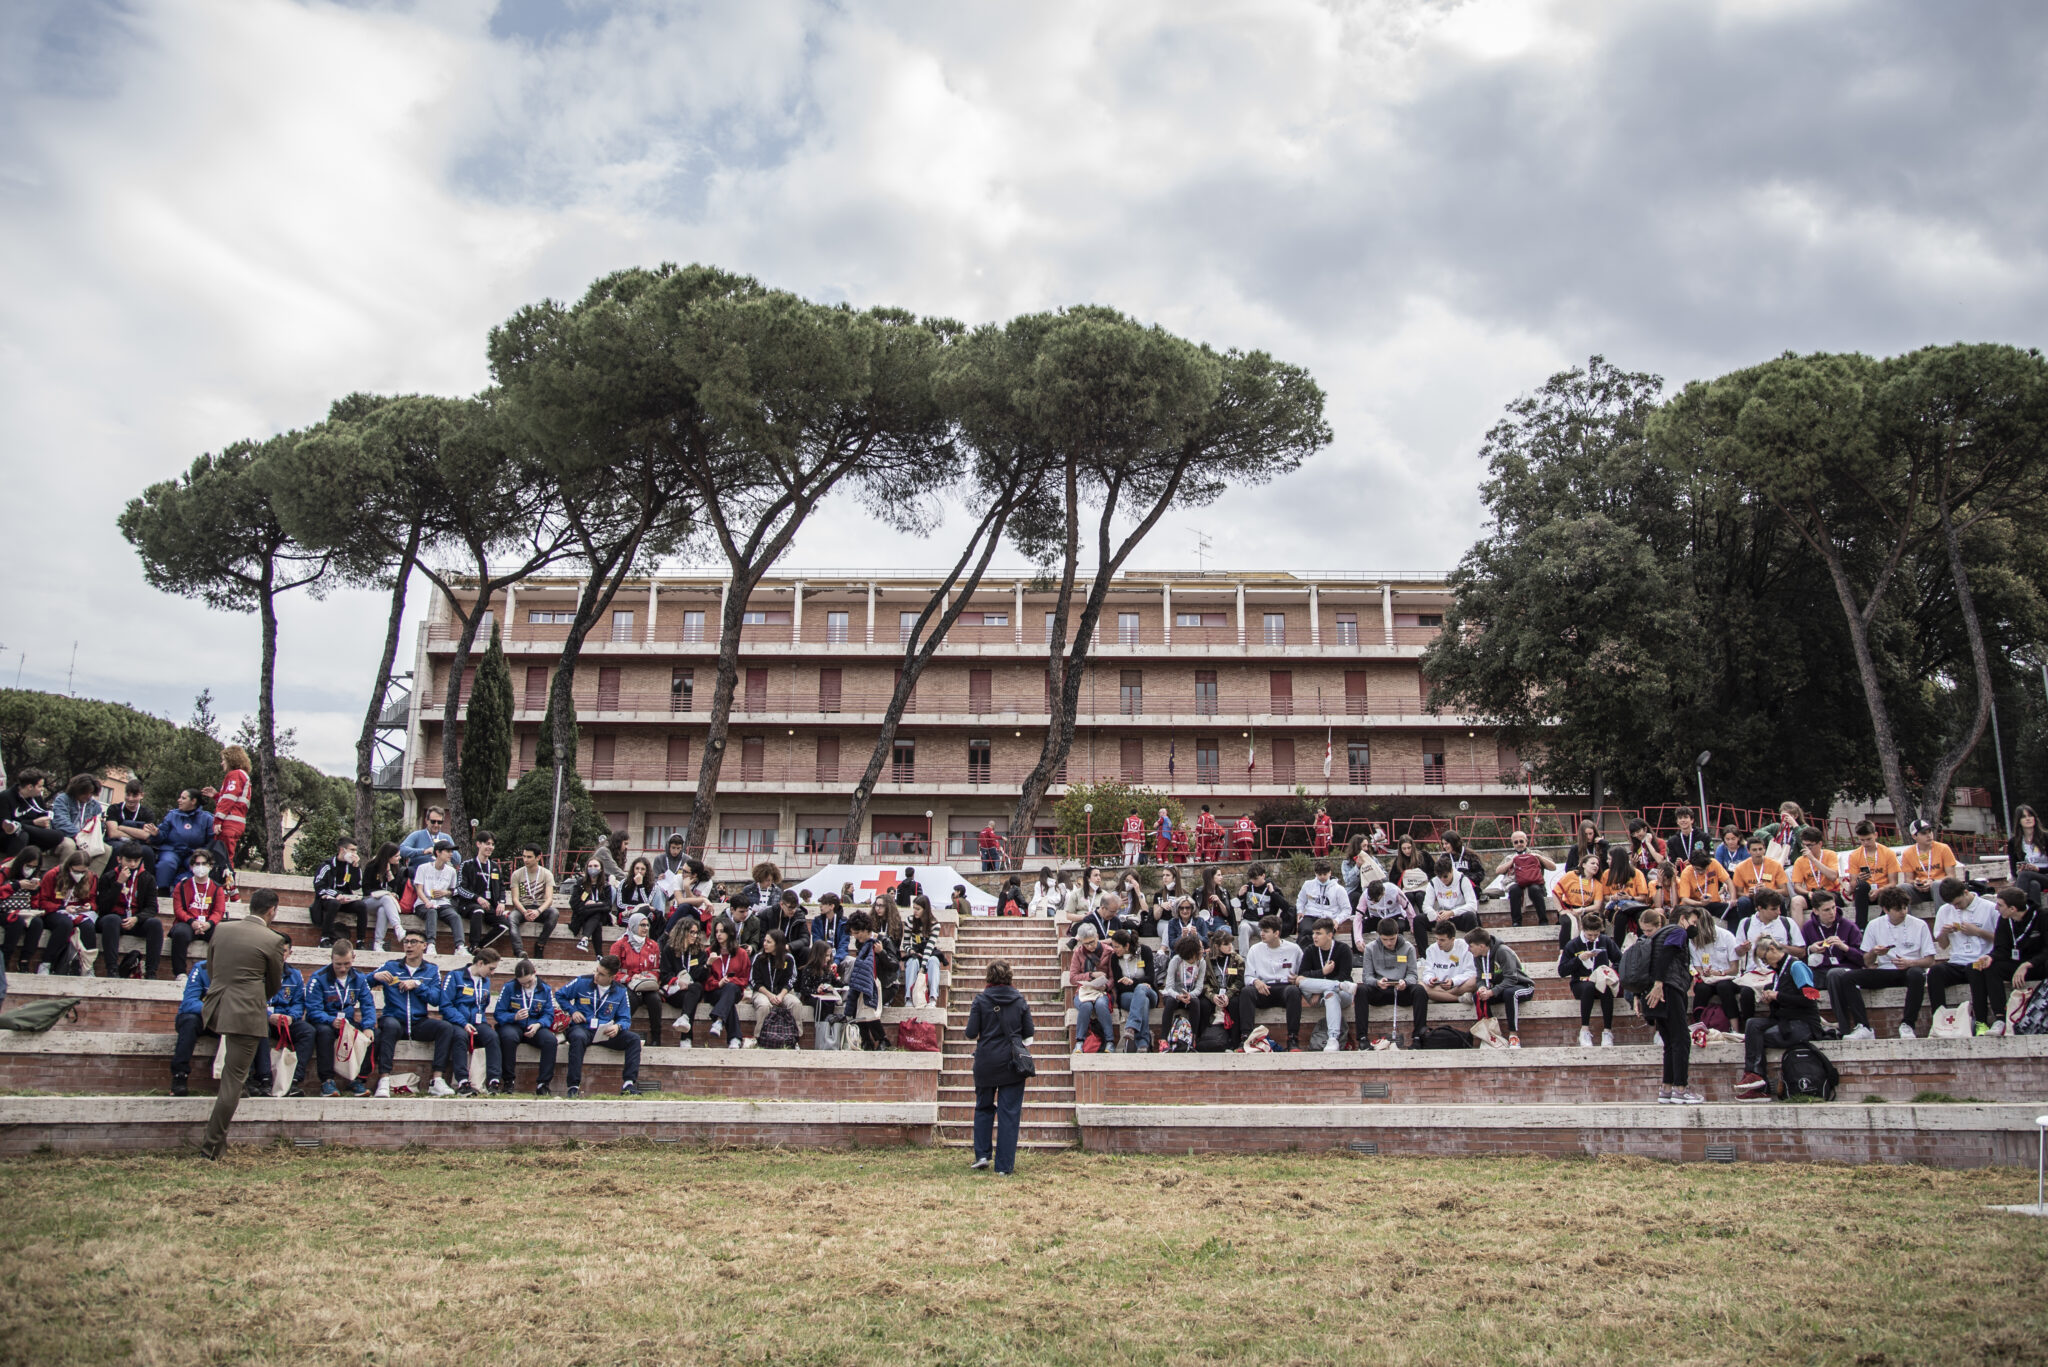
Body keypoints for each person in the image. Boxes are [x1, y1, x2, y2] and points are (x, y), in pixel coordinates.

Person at [194, 888, 288, 1160]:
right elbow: (273, 983)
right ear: (272, 910)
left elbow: (210, 969)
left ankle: (214, 1144)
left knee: (232, 1078)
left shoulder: (221, 929)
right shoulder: (273, 939)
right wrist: (255, 999)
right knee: (233, 1081)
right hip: (245, 1011)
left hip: (216, 1004)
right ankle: (211, 1147)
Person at [1831, 885, 1936, 1041]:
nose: (1903, 912)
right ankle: (1864, 1026)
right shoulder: (1874, 925)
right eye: (1898, 909)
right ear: (1886, 910)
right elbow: (1866, 961)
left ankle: (1908, 1024)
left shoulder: (1919, 925)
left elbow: (1930, 960)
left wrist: (1910, 963)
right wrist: (1874, 952)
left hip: (1909, 970)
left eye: (1905, 907)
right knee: (1847, 977)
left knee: (1917, 975)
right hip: (1885, 969)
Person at [964, 960, 1035, 1175]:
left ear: (988, 978)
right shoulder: (1020, 1000)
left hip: (986, 1061)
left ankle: (982, 1154)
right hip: (1012, 1063)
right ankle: (1004, 1166)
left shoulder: (981, 1000)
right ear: (1010, 977)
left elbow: (970, 1032)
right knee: (1009, 1113)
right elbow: (1029, 1033)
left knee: (983, 1107)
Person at [1733, 935, 1823, 1100]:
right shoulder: (1777, 973)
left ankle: (1760, 1083)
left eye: (1765, 959)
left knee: (1757, 1038)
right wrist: (1770, 999)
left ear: (1773, 949)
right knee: (1752, 1025)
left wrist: (1778, 996)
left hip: (1803, 1024)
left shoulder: (1796, 966)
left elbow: (1810, 998)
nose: (1766, 964)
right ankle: (1755, 1076)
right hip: (1785, 1020)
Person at [371, 931, 448, 1097]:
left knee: (445, 1028)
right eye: (406, 942)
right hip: (394, 1018)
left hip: (418, 1021)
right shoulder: (391, 966)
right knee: (389, 1026)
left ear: (424, 946)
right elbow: (362, 982)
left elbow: (436, 999)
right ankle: (384, 1079)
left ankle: (437, 1080)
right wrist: (374, 976)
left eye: (414, 942)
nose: (409, 945)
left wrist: (418, 985)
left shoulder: (431, 970)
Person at [554, 953, 642, 1097]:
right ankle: (573, 1086)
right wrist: (573, 1011)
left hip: (604, 1031)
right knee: (577, 1037)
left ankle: (628, 1084)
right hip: (582, 1027)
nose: (596, 975)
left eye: (601, 974)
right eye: (596, 971)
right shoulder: (582, 981)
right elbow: (560, 995)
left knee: (633, 1039)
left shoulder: (620, 991)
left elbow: (625, 1018)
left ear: (612, 977)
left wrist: (618, 1027)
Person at [1645, 905, 1704, 1104]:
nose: (1694, 927)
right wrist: (1660, 984)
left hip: (1659, 990)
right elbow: (1667, 956)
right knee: (1681, 1040)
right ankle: (1681, 1089)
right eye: (1693, 922)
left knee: (1669, 1042)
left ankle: (1667, 1088)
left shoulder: (1660, 933)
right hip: (1669, 988)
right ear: (1683, 919)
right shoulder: (1678, 932)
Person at [304, 939, 376, 1097]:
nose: (343, 968)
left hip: (346, 1022)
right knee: (325, 1033)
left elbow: (368, 1005)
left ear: (353, 958)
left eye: (347, 964)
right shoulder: (318, 978)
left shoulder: (359, 978)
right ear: (331, 959)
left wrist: (368, 1026)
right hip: (324, 1021)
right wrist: (330, 1020)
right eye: (338, 964)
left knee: (368, 1034)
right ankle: (327, 1081)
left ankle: (358, 1080)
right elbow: (313, 1009)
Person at [1929, 876, 1999, 1035]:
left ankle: (1982, 1021)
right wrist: (1944, 933)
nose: (1957, 907)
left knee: (1974, 970)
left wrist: (1978, 932)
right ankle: (1938, 1021)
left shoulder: (1989, 908)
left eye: (1958, 903)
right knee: (1935, 972)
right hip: (1957, 960)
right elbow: (1943, 944)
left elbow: (2001, 940)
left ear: (1966, 892)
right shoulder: (1945, 910)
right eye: (1953, 905)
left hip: (1980, 959)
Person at [436, 947, 502, 1096]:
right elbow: (445, 1005)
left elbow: (482, 1005)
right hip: (457, 1022)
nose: (493, 973)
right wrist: (463, 1022)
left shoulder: (485, 982)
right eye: (491, 968)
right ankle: (462, 1082)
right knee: (460, 1036)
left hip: (477, 1022)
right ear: (480, 963)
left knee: (492, 1036)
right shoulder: (455, 976)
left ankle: (494, 1081)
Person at [95, 841, 162, 979]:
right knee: (111, 920)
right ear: (119, 859)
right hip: (113, 918)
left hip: (135, 919)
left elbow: (152, 907)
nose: (132, 864)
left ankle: (151, 972)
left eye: (136, 861)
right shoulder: (108, 877)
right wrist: (118, 884)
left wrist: (137, 918)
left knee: (155, 924)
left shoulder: (147, 878)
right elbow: (103, 908)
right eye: (128, 860)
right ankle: (112, 969)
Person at [1358, 915, 1425, 1048]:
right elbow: (1366, 977)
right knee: (1361, 990)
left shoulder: (1408, 948)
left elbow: (1413, 974)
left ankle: (1418, 1036)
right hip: (1380, 989)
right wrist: (1377, 982)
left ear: (1397, 935)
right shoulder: (1370, 948)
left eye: (1392, 939)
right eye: (1385, 939)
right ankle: (1362, 1037)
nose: (1389, 943)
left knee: (1420, 990)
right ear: (1379, 936)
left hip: (1401, 989)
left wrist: (1405, 982)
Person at [493, 958, 558, 1094]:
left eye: (529, 982)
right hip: (514, 1025)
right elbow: (499, 1013)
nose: (526, 986)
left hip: (534, 1026)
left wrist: (539, 1025)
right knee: (508, 1037)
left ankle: (543, 1084)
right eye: (522, 983)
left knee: (550, 1041)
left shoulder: (544, 989)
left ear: (535, 973)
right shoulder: (509, 987)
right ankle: (508, 1081)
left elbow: (549, 1014)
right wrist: (513, 1017)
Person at [1240, 916, 1304, 1050]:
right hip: (1263, 988)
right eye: (1261, 930)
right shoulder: (1255, 949)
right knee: (1247, 992)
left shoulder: (1294, 949)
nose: (1262, 934)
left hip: (1285, 988)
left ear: (1276, 933)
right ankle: (1246, 1037)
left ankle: (1293, 1038)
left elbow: (1302, 973)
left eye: (1266, 931)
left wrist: (1298, 978)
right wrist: (1256, 981)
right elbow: (1248, 977)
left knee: (1294, 991)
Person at [1558, 910, 1621, 1047]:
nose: (1593, 938)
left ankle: (1607, 1031)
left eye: (1596, 935)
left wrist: (1610, 971)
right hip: (1580, 983)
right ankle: (1585, 1029)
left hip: (1601, 980)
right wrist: (1578, 959)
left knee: (1605, 988)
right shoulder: (1573, 945)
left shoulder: (1604, 941)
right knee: (1589, 986)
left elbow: (1619, 959)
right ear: (1583, 930)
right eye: (1589, 935)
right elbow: (1562, 971)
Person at [29, 849, 97, 974]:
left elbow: (92, 900)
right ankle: (46, 963)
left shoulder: (90, 877)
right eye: (76, 871)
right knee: (65, 924)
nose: (80, 874)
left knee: (88, 927)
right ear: (69, 866)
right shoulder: (52, 875)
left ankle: (88, 968)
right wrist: (62, 908)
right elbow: (42, 902)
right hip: (54, 911)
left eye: (83, 871)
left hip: (77, 912)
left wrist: (89, 906)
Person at [1295, 919, 1355, 1051]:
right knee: (1300, 981)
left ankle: (1333, 1038)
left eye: (1318, 933)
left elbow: (1344, 976)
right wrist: (1322, 972)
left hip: (1343, 994)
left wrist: (1319, 990)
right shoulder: (1310, 950)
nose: (1314, 937)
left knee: (1331, 994)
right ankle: (1335, 986)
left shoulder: (1343, 949)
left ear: (1329, 935)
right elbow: (1302, 974)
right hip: (1323, 992)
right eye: (1313, 933)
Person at [1465, 927, 1531, 1047]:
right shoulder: (1478, 957)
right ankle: (1492, 1035)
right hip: (1500, 988)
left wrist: (1492, 992)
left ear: (1481, 946)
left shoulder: (1503, 951)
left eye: (1471, 946)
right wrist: (1482, 987)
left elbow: (1511, 978)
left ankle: (1513, 1035)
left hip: (1521, 985)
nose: (1469, 950)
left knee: (1510, 993)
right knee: (1478, 996)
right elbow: (1480, 978)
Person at [1989, 886, 2045, 1027]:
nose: (1996, 908)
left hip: (2038, 964)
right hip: (2016, 965)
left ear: (2013, 908)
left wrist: (2028, 964)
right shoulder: (2004, 919)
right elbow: (2001, 949)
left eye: (2000, 905)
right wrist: (1990, 957)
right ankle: (2000, 1018)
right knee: (1990, 967)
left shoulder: (2042, 916)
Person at [1689, 909, 1749, 1030]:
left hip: (1728, 978)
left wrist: (1720, 973)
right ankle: (1698, 1027)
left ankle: (1735, 1028)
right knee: (1701, 989)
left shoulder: (1726, 936)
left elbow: (1734, 969)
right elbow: (1697, 968)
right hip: (1708, 980)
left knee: (1724, 987)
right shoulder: (1693, 940)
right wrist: (1704, 973)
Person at [609, 911, 663, 1044]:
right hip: (626, 985)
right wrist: (630, 978)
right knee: (631, 999)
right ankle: (619, 1033)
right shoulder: (619, 945)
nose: (645, 928)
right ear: (633, 926)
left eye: (647, 925)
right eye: (642, 925)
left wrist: (647, 978)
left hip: (647, 985)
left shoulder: (653, 945)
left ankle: (656, 1038)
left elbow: (656, 969)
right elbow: (612, 971)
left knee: (655, 1000)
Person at [844, 910, 894, 1049]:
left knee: (869, 1011)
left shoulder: (883, 940)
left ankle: (882, 1039)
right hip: (866, 982)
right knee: (860, 1011)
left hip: (883, 984)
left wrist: (881, 953)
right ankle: (866, 1040)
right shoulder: (861, 944)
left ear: (865, 929)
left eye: (857, 933)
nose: (855, 936)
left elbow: (894, 965)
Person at [660, 916, 712, 1048]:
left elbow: (700, 976)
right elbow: (665, 974)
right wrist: (678, 982)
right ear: (683, 932)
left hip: (693, 990)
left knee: (695, 988)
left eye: (696, 933)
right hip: (675, 992)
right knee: (692, 997)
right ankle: (686, 1038)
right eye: (692, 932)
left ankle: (685, 1022)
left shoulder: (699, 952)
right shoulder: (669, 950)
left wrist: (707, 966)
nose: (695, 936)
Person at [311, 836, 369, 950]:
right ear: (343, 850)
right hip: (328, 899)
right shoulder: (327, 865)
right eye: (352, 850)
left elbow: (356, 885)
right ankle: (325, 938)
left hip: (346, 899)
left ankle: (360, 941)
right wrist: (336, 895)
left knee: (362, 906)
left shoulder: (351, 866)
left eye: (355, 851)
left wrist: (355, 868)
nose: (354, 853)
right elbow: (319, 885)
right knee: (334, 903)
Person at [1842, 820, 1903, 927]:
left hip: (1883, 891)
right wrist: (1858, 879)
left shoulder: (1888, 853)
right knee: (1862, 886)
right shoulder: (1854, 855)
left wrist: (1879, 890)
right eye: (1862, 840)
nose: (1866, 843)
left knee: (1893, 894)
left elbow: (1893, 882)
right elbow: (1853, 885)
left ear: (1875, 835)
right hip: (1864, 893)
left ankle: (1879, 925)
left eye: (1869, 839)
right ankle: (1861, 927)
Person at [2, 770, 71, 863]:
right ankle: (12, 865)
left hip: (31, 831)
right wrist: (33, 822)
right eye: (40, 786)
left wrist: (44, 821)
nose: (42, 789)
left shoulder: (36, 797)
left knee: (57, 836)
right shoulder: (5, 797)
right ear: (30, 787)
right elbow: (4, 825)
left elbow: (42, 813)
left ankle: (19, 827)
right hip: (9, 836)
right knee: (22, 835)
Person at [151, 790, 214, 890]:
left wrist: (203, 854)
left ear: (193, 801)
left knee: (198, 865)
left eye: (183, 798)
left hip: (194, 853)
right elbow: (162, 834)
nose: (179, 800)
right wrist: (156, 834)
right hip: (172, 850)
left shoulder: (207, 818)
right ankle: (162, 891)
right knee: (166, 863)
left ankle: (184, 888)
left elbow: (212, 841)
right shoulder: (172, 815)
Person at [1108, 928, 1158, 1052]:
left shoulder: (1145, 951)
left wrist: (1133, 982)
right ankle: (1143, 1043)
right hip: (1127, 996)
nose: (1114, 950)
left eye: (1117, 947)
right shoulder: (1115, 958)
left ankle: (1131, 1027)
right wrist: (1140, 983)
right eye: (1113, 946)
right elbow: (1120, 985)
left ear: (1127, 945)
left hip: (1149, 993)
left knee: (1142, 990)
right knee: (1143, 1001)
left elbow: (1151, 978)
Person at [456, 831, 509, 950]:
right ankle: (473, 945)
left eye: (492, 844)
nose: (490, 847)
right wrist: (477, 898)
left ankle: (480, 946)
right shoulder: (467, 865)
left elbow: (501, 887)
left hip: (490, 906)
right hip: (470, 904)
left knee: (504, 925)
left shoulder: (494, 866)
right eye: (487, 843)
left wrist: (501, 902)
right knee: (478, 910)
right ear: (478, 844)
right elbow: (460, 888)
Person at [702, 919, 751, 1047]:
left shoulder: (741, 953)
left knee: (730, 988)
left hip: (734, 990)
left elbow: (744, 979)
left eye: (722, 931)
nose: (718, 934)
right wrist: (718, 983)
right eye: (716, 931)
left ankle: (719, 1020)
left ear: (730, 933)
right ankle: (734, 1038)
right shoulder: (709, 952)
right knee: (728, 1003)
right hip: (714, 990)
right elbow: (704, 977)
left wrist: (728, 981)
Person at [1067, 923, 1115, 1052]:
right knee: (1086, 1006)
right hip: (1084, 991)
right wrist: (1091, 975)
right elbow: (1073, 977)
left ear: (1097, 937)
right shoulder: (1078, 953)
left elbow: (1113, 977)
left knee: (1100, 1005)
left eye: (1092, 942)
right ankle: (1079, 1041)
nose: (1090, 946)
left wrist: (1105, 986)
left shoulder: (1109, 952)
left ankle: (1110, 1041)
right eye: (1086, 944)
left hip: (1102, 991)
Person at [411, 838, 465, 952]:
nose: (451, 854)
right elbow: (419, 890)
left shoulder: (451, 871)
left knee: (455, 916)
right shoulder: (423, 868)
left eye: (452, 851)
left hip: (443, 903)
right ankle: (430, 944)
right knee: (431, 911)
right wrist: (427, 902)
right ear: (438, 852)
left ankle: (460, 946)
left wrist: (445, 893)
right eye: (448, 851)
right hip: (423, 903)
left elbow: (452, 891)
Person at [1157, 932, 1212, 1043]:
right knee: (1171, 1002)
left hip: (1190, 994)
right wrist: (1178, 996)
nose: (1202, 950)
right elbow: (1169, 986)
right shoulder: (1176, 960)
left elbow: (1199, 987)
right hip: (1174, 994)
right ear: (1191, 951)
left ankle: (1192, 1038)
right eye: (1200, 948)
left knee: (1196, 1002)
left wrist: (1189, 995)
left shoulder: (1201, 962)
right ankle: (1163, 1039)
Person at [1496, 829, 1557, 927]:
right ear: (1512, 844)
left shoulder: (1536, 853)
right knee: (1514, 890)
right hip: (1517, 885)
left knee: (1534, 889)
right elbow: (1498, 871)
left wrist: (1539, 857)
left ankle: (1543, 920)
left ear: (1526, 841)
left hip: (1535, 884)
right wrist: (1512, 862)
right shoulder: (1510, 857)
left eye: (1521, 841)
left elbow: (1553, 867)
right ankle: (1516, 922)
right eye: (1516, 842)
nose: (1519, 844)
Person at [749, 927, 801, 1042]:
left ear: (778, 944)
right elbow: (754, 981)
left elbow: (791, 980)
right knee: (764, 1005)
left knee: (795, 1003)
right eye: (764, 941)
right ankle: (759, 1038)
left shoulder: (788, 958)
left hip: (783, 992)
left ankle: (796, 1039)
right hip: (762, 991)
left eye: (769, 942)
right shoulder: (758, 958)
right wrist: (770, 995)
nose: (765, 944)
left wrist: (780, 996)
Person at [1729, 835, 1789, 932]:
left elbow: (1785, 891)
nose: (1758, 852)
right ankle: (1746, 930)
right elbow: (1738, 893)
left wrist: (1768, 891)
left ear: (1764, 849)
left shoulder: (1775, 865)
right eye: (1754, 850)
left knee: (1780, 899)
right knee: (1743, 901)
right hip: (1751, 899)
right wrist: (1749, 894)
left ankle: (1784, 929)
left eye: (1760, 849)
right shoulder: (1740, 867)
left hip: (1770, 899)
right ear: (1748, 851)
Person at [1734, 889, 1805, 971]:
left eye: (1779, 908)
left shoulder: (1787, 922)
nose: (1779, 912)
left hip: (1781, 973)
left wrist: (1779, 947)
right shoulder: (1745, 923)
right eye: (1774, 909)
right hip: (1754, 973)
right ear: (1760, 908)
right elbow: (1738, 952)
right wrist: (1743, 948)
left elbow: (1802, 952)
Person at [506, 844, 558, 954]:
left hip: (540, 908)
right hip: (523, 908)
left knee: (554, 913)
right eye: (524, 856)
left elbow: (549, 899)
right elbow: (515, 899)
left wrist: (538, 911)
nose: (525, 860)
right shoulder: (517, 874)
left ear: (538, 857)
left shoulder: (546, 874)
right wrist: (524, 912)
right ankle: (519, 950)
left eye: (529, 857)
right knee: (511, 918)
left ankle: (540, 944)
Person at [51, 774, 108, 874]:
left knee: (106, 849)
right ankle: (63, 879)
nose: (88, 796)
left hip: (86, 839)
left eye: (91, 793)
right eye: (85, 793)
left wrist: (100, 825)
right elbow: (61, 822)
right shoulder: (62, 800)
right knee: (69, 845)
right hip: (66, 837)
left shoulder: (95, 806)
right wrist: (79, 837)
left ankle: (89, 882)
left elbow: (97, 828)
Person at [1419, 919, 1477, 1018]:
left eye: (1442, 940)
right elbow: (1427, 972)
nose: (1438, 943)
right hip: (1439, 986)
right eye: (1437, 939)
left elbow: (1470, 972)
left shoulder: (1464, 946)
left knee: (1475, 980)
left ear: (1452, 939)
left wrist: (1453, 981)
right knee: (1421, 986)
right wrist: (1430, 979)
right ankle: (1459, 999)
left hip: (1459, 986)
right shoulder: (1431, 949)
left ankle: (1441, 996)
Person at [1, 849, 48, 971]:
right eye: (28, 866)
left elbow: (35, 903)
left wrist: (34, 891)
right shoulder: (5, 871)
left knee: (37, 923)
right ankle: (5, 960)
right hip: (4, 911)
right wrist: (16, 886)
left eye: (34, 867)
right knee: (16, 922)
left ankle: (24, 961)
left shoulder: (34, 877)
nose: (30, 869)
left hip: (24, 911)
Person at [1594, 848, 1652, 942]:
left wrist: (1629, 897)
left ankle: (1643, 943)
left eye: (1609, 859)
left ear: (1616, 861)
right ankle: (1617, 948)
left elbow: (1643, 897)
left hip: (1634, 906)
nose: (1607, 861)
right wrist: (1614, 897)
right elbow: (1605, 896)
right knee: (1621, 917)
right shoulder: (1606, 874)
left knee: (1642, 916)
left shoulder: (1636, 873)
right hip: (1616, 906)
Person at [1901, 820, 1958, 907]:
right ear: (1914, 836)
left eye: (1930, 831)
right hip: (1920, 891)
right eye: (1923, 833)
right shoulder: (1907, 853)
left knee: (1937, 885)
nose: (1929, 835)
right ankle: (1905, 920)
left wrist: (1932, 881)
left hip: (1941, 889)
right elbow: (1908, 880)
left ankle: (1942, 920)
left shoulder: (1943, 848)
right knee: (1902, 887)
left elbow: (1951, 876)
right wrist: (1915, 883)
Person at [1673, 847, 1734, 930]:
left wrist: (1733, 899)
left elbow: (1729, 881)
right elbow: (1685, 899)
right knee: (1682, 913)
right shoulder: (1686, 873)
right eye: (1698, 869)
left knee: (1733, 910)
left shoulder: (1714, 863)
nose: (1701, 872)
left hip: (1713, 902)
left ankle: (1733, 938)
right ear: (1692, 865)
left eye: (1704, 869)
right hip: (1695, 904)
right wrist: (1700, 904)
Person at [362, 842, 407, 952]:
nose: (399, 858)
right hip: (369, 901)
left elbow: (394, 887)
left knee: (383, 910)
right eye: (396, 856)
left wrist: (389, 872)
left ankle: (378, 943)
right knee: (386, 898)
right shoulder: (372, 866)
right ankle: (398, 927)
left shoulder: (395, 868)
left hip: (385, 903)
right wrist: (383, 893)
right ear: (387, 856)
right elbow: (366, 889)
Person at [901, 897, 945, 1008]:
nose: (915, 911)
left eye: (918, 909)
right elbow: (905, 944)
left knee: (934, 961)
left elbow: (929, 948)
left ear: (925, 910)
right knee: (912, 962)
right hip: (915, 950)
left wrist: (923, 966)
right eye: (914, 908)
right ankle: (908, 998)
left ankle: (933, 997)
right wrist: (911, 951)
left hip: (929, 952)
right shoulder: (909, 921)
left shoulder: (935, 925)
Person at [1294, 859, 1351, 947]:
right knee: (1306, 931)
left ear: (1330, 873)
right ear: (1315, 874)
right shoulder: (1308, 885)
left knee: (1323, 935)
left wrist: (1337, 920)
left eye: (1325, 874)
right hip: (1310, 915)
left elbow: (1347, 909)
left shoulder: (1339, 889)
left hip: (1328, 918)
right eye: (1319, 875)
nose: (1322, 877)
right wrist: (1300, 911)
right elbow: (1301, 900)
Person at [1789, 828, 1843, 918]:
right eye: (1804, 845)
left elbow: (1833, 876)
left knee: (1828, 901)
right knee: (1796, 901)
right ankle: (1798, 932)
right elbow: (1797, 887)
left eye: (1810, 845)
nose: (1806, 849)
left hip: (1830, 892)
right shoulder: (1800, 861)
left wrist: (1813, 859)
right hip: (1812, 894)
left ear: (1820, 844)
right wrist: (1807, 893)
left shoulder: (1830, 855)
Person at [1423, 855, 1479, 934]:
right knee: (1419, 920)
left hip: (1458, 916)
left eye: (1445, 876)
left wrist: (1452, 912)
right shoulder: (1433, 882)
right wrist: (1435, 914)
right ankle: (1424, 947)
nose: (1442, 879)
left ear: (1451, 871)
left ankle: (1471, 944)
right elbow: (1426, 905)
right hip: (1441, 918)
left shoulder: (1463, 880)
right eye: (1439, 877)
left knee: (1470, 916)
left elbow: (1473, 905)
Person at [2008, 805, 2047, 912]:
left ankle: (2015, 906)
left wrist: (2037, 869)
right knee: (2033, 884)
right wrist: (2019, 870)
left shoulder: (2046, 837)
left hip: (2045, 876)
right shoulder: (2013, 842)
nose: (2028, 819)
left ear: (2035, 818)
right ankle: (2035, 917)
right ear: (2019, 821)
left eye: (2030, 816)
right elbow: (2013, 871)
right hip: (2028, 879)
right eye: (2024, 817)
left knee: (2025, 874)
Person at [103, 781, 157, 847]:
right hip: (115, 842)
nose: (130, 799)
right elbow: (113, 833)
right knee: (119, 847)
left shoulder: (148, 813)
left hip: (138, 845)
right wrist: (137, 835)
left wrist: (121, 828)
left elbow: (147, 836)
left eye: (134, 796)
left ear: (142, 795)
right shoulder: (113, 808)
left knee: (147, 852)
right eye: (128, 795)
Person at [398, 806, 448, 872]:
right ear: (426, 821)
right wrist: (423, 851)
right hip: (417, 875)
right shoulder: (417, 835)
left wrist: (448, 849)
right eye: (433, 821)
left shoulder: (446, 838)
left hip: (439, 877)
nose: (436, 825)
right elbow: (402, 849)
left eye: (439, 822)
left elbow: (457, 860)